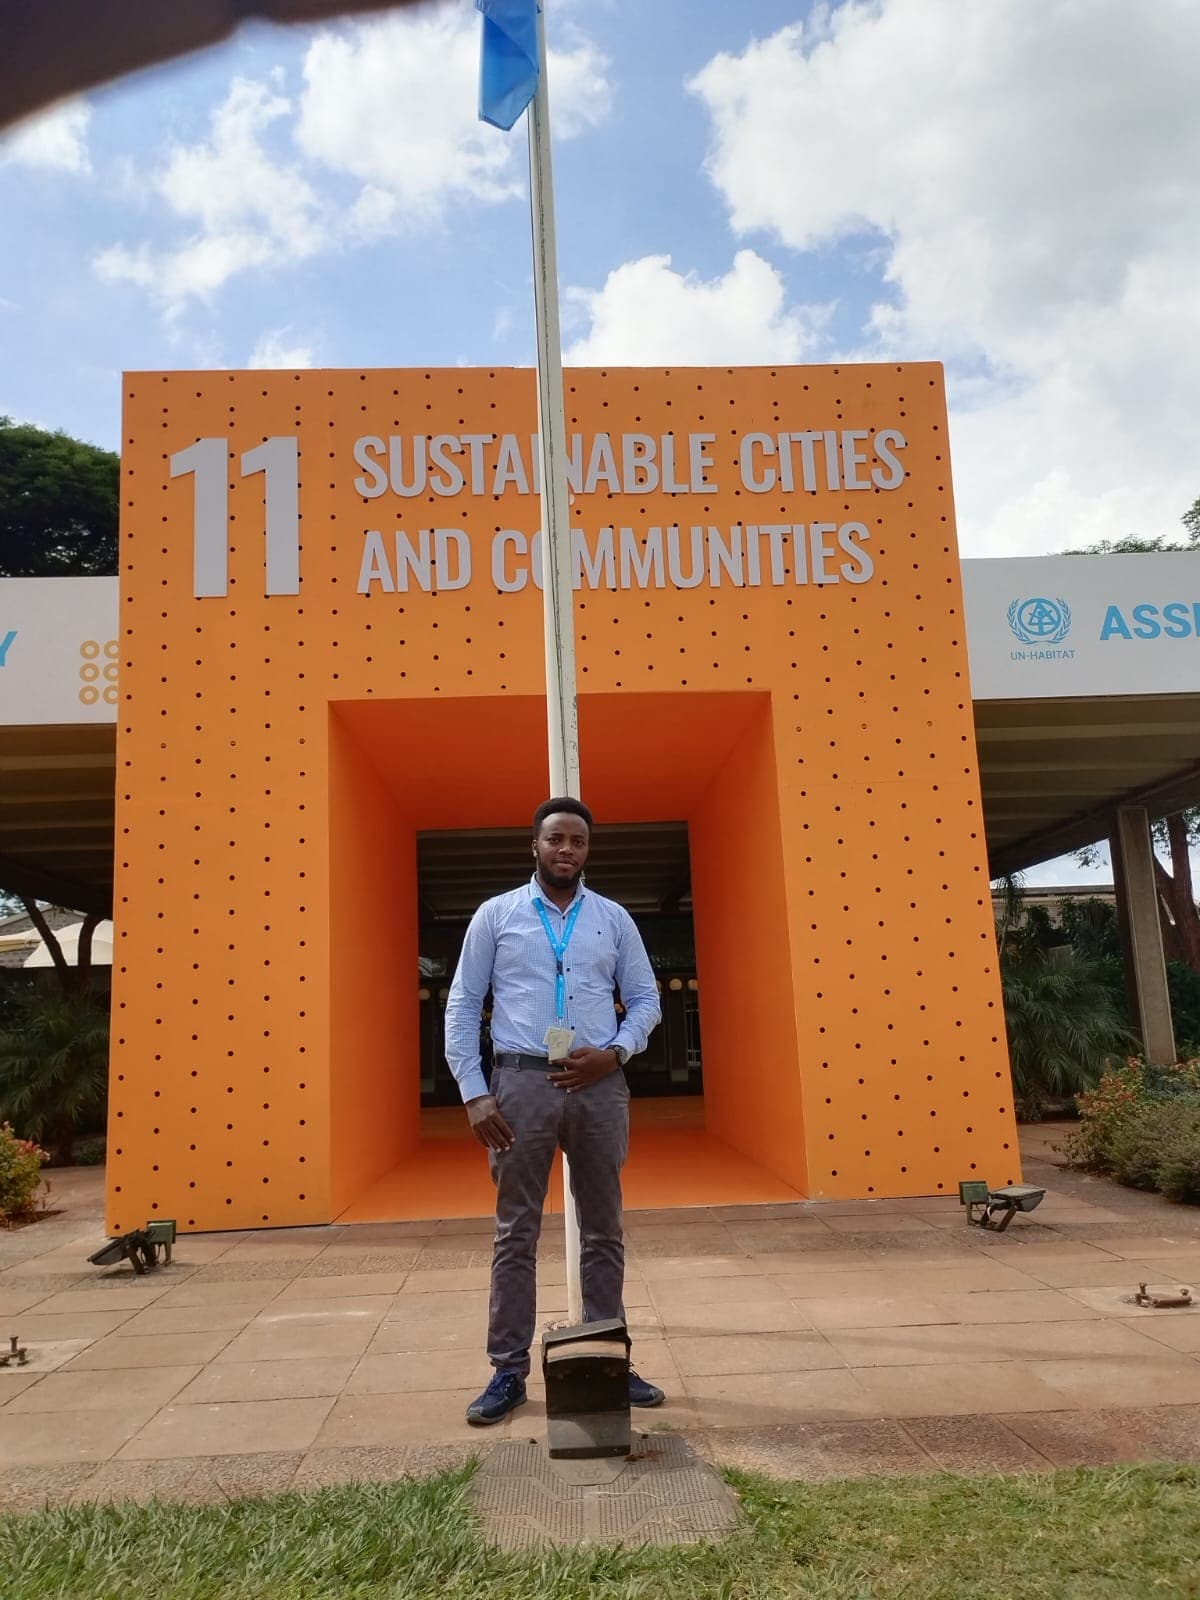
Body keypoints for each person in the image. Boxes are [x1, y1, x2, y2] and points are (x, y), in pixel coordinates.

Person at [444, 796, 664, 1425]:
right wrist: (474, 1092)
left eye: (578, 841)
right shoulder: (497, 915)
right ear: (535, 846)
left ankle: (608, 1361)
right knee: (515, 1230)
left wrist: (615, 1054)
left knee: (604, 1229)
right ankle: (507, 1371)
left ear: (587, 850)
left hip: (598, 1086)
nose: (566, 849)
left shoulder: (613, 919)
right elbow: (463, 1004)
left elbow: (646, 999)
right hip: (520, 1085)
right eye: (556, 839)